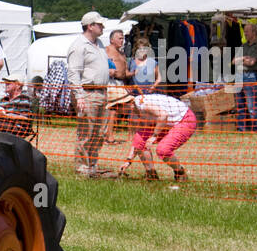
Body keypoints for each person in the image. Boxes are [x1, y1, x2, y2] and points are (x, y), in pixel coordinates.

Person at [113, 91, 195, 183]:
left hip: (184, 120)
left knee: (163, 150)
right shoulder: (134, 110)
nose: (115, 110)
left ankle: (180, 172)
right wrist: (128, 161)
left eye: (114, 107)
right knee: (139, 140)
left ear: (123, 104)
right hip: (167, 123)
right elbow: (138, 140)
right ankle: (151, 174)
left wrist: (154, 136)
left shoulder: (142, 104)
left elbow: (163, 115)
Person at [67, 11, 112, 177]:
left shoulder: (99, 43)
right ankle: (82, 167)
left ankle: (92, 165)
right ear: (90, 26)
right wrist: (78, 96)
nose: (102, 27)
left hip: (101, 92)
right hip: (87, 93)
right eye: (99, 24)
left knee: (99, 133)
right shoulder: (78, 46)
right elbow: (73, 73)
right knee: (87, 132)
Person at [234, 20, 257, 131]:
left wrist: (241, 60)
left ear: (254, 32)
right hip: (239, 76)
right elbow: (233, 61)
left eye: (247, 31)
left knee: (251, 106)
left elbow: (252, 62)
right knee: (240, 105)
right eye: (245, 31)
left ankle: (254, 129)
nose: (245, 34)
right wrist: (243, 58)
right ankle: (242, 129)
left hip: (250, 76)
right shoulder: (243, 45)